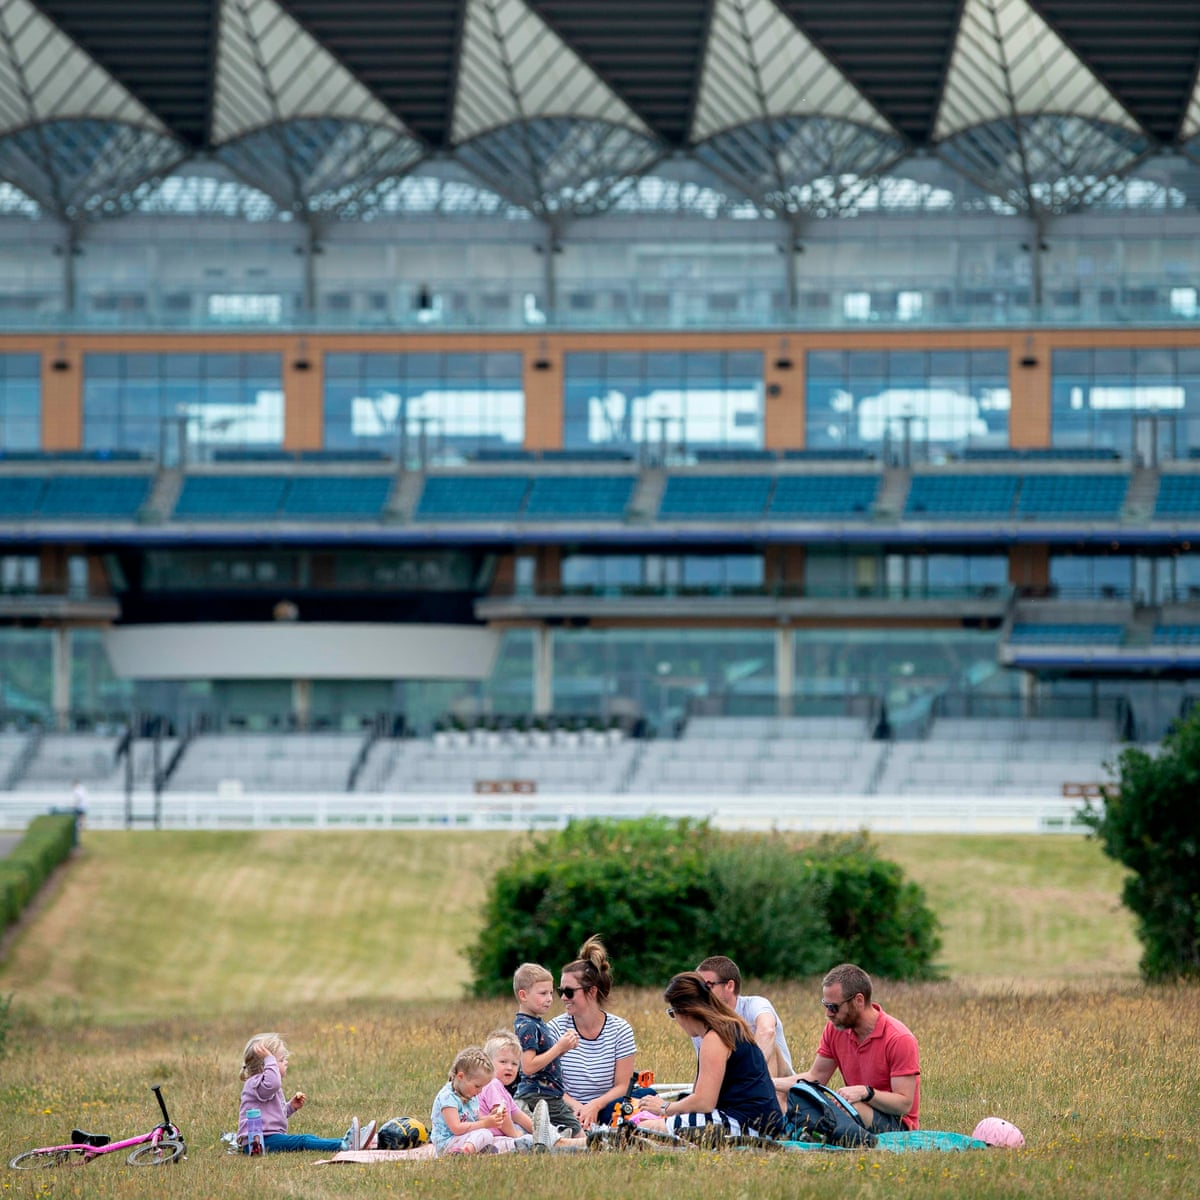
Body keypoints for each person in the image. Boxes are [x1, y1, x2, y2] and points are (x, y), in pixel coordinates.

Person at [637, 972, 784, 1139]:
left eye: (672, 1013)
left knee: (645, 1128)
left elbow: (704, 1102)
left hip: (747, 1124)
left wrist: (665, 1107)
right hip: (761, 1123)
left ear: (684, 1012)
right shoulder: (729, 1027)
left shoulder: (715, 1038)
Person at [776, 962, 920, 1131]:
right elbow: (815, 1078)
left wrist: (866, 1093)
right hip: (851, 1108)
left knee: (845, 1110)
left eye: (833, 1007)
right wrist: (767, 1082)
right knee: (788, 1096)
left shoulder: (899, 1039)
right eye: (825, 1005)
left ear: (858, 1000)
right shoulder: (835, 1029)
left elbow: (903, 1105)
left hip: (897, 1123)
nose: (828, 1014)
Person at [546, 935, 636, 1129]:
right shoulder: (554, 1029)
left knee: (644, 1097)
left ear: (592, 992)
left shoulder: (620, 1030)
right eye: (560, 991)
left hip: (606, 1106)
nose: (563, 998)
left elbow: (622, 1085)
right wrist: (580, 1109)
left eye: (569, 992)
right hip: (568, 1108)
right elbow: (550, 1085)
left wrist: (595, 1105)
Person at [238, 1033, 373, 1152]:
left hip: (268, 1138)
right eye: (280, 1060)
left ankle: (349, 1141)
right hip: (258, 1142)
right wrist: (269, 1058)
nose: (286, 1062)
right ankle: (342, 1144)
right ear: (265, 1066)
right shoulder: (256, 1083)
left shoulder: (264, 1085)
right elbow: (273, 1082)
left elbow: (273, 1115)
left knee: (310, 1139)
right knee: (304, 1140)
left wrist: (290, 1107)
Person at [481, 1029, 587, 1151]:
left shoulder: (503, 1090)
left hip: (502, 1135)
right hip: (492, 1138)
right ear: (488, 1062)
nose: (509, 1068)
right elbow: (501, 1116)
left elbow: (519, 1116)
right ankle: (578, 1143)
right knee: (529, 1140)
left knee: (533, 1134)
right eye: (503, 1062)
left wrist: (538, 1130)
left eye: (515, 1064)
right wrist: (515, 1134)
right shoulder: (492, 1084)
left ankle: (565, 1140)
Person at [512, 961, 582, 1135]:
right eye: (543, 993)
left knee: (557, 1134)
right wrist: (558, 1048)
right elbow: (528, 1067)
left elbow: (542, 1060)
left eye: (551, 992)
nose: (549, 998)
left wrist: (564, 1048)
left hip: (544, 1093)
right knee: (579, 1135)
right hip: (542, 1095)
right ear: (523, 995)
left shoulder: (535, 1022)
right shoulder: (528, 1026)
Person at [695, 955, 793, 1076]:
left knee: (769, 1045)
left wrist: (745, 1074)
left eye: (707, 986)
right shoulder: (701, 1022)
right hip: (737, 1089)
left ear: (730, 986)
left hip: (779, 1085)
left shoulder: (755, 1005)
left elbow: (767, 1031)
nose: (699, 992)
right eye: (697, 986)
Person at [430, 1046, 513, 1155]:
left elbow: (476, 1120)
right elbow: (456, 1128)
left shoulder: (471, 1096)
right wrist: (485, 1123)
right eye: (477, 1086)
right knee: (484, 1133)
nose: (480, 1091)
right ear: (460, 1076)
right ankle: (463, 1153)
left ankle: (479, 1149)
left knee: (488, 1134)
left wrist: (491, 1118)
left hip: (466, 1137)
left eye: (482, 1087)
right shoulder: (448, 1097)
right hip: (447, 1143)